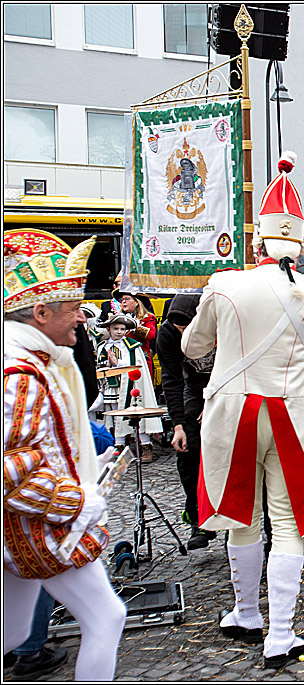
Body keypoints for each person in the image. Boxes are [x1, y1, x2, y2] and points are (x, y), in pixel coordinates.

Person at [182, 152, 304, 668]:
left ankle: (247, 613)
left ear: (259, 240)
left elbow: (193, 347)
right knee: (288, 522)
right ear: (298, 242)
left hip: (234, 411)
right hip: (295, 411)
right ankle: (282, 633)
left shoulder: (225, 283)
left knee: (241, 517)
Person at [3, 230, 127, 680]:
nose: (82, 316)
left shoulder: (33, 363)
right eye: (73, 307)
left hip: (30, 527)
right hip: (37, 527)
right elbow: (11, 474)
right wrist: (78, 502)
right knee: (106, 617)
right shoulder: (19, 375)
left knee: (12, 634)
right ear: (40, 313)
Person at [156, 294, 217, 550]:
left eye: (187, 328)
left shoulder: (219, 324)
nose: (184, 333)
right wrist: (178, 424)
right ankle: (199, 519)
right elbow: (172, 379)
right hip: (193, 388)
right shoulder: (167, 334)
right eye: (179, 329)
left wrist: (215, 398)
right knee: (189, 450)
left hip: (225, 386)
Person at [95, 312, 162, 461]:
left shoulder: (131, 346)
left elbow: (135, 366)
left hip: (131, 387)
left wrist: (116, 363)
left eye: (122, 329)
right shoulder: (102, 346)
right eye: (115, 328)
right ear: (108, 329)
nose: (119, 332)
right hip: (111, 387)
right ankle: (119, 445)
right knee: (114, 415)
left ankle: (145, 445)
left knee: (136, 414)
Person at [114, 291, 157, 378]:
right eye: (121, 300)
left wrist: (136, 327)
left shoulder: (147, 317)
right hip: (122, 360)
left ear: (137, 302)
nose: (123, 302)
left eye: (127, 299)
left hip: (140, 360)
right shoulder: (117, 318)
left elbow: (151, 335)